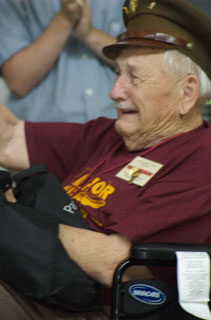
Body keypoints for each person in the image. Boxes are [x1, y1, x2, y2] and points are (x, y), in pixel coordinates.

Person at [0, 0, 211, 318]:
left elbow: (114, 262)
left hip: (87, 305)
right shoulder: (108, 134)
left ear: (187, 93)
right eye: (116, 74)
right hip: (33, 273)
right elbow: (9, 138)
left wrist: (15, 219)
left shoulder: (200, 161)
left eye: (134, 78)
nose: (114, 92)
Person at [0, 0, 124, 122]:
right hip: (41, 129)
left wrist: (90, 35)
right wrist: (65, 18)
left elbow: (140, 62)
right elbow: (18, 81)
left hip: (117, 123)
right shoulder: (13, 4)